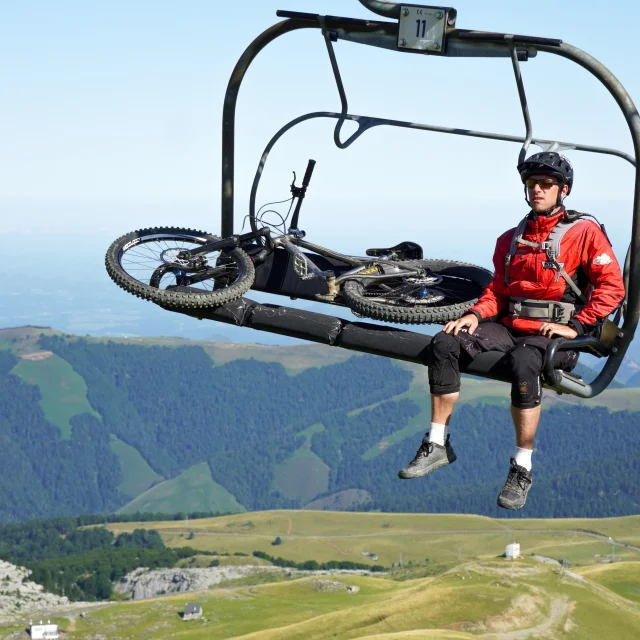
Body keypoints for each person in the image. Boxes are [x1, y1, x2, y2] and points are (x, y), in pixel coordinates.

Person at [398, 151, 626, 510]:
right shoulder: (511, 239)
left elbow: (612, 287)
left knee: (524, 362)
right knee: (445, 342)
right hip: (511, 325)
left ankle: (522, 467)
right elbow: (498, 294)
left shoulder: (585, 233)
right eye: (531, 183)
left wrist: (577, 326)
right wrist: (475, 315)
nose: (537, 189)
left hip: (556, 334)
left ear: (562, 190)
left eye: (546, 184)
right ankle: (437, 443)